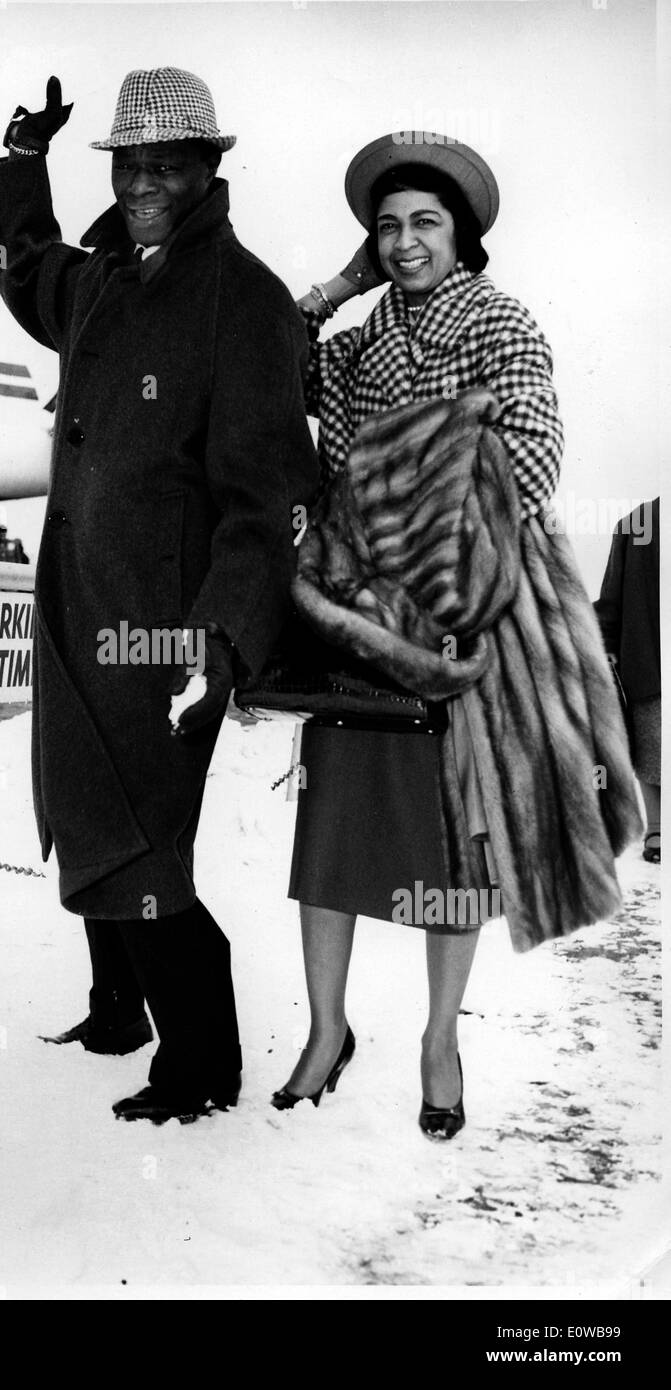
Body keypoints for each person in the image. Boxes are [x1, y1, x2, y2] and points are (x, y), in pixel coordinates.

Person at [0, 69, 317, 1123]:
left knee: (146, 835)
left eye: (167, 163)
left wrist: (217, 643)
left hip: (166, 632)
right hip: (77, 598)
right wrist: (23, 165)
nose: (145, 182)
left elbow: (266, 499)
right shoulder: (104, 279)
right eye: (130, 163)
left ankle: (200, 1067)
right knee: (88, 800)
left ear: (210, 169)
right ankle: (117, 1005)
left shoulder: (243, 298)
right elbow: (29, 270)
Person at [276, 133, 640, 1138]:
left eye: (423, 224)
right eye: (384, 229)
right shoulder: (353, 343)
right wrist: (335, 288)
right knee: (333, 816)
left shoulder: (502, 323)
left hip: (462, 603)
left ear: (462, 234)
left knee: (453, 835)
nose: (402, 244)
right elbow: (270, 355)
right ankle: (322, 1031)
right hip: (358, 613)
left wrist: (400, 506)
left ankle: (439, 1038)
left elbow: (528, 460)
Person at [595, 499, 660, 862]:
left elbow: (610, 601)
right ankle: (658, 832)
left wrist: (604, 644)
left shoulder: (637, 522)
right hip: (647, 663)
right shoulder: (636, 523)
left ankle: (657, 833)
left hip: (646, 664)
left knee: (652, 746)